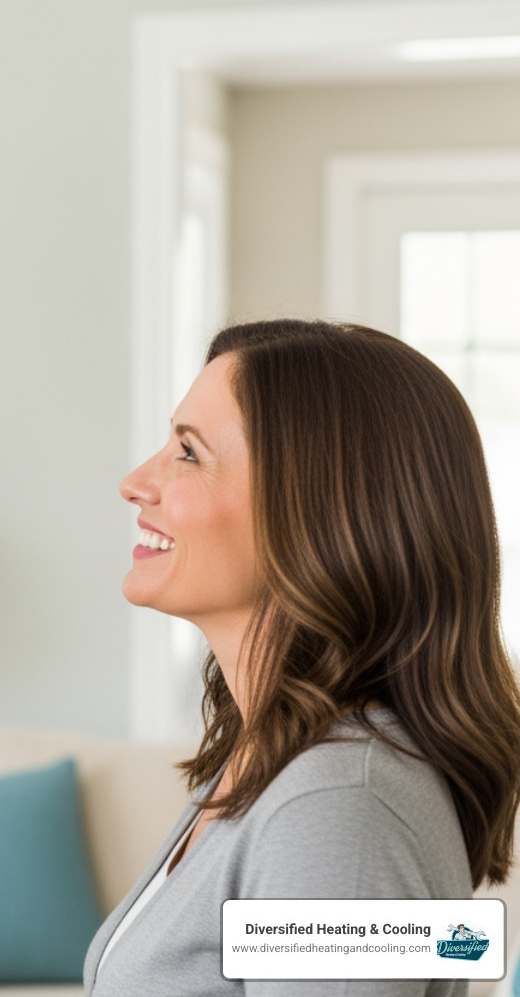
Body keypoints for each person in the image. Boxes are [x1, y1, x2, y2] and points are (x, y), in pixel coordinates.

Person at [86, 319, 520, 995]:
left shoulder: (340, 808)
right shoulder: (268, 757)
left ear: (318, 514)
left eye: (189, 453)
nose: (137, 482)